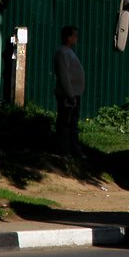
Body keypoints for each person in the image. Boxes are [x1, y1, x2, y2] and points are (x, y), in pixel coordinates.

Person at [54, 25, 86, 158]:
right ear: (68, 37)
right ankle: (64, 151)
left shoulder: (69, 52)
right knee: (66, 124)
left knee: (72, 124)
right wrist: (70, 94)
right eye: (74, 35)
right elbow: (64, 75)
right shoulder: (63, 52)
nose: (76, 38)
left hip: (74, 95)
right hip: (68, 96)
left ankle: (74, 150)